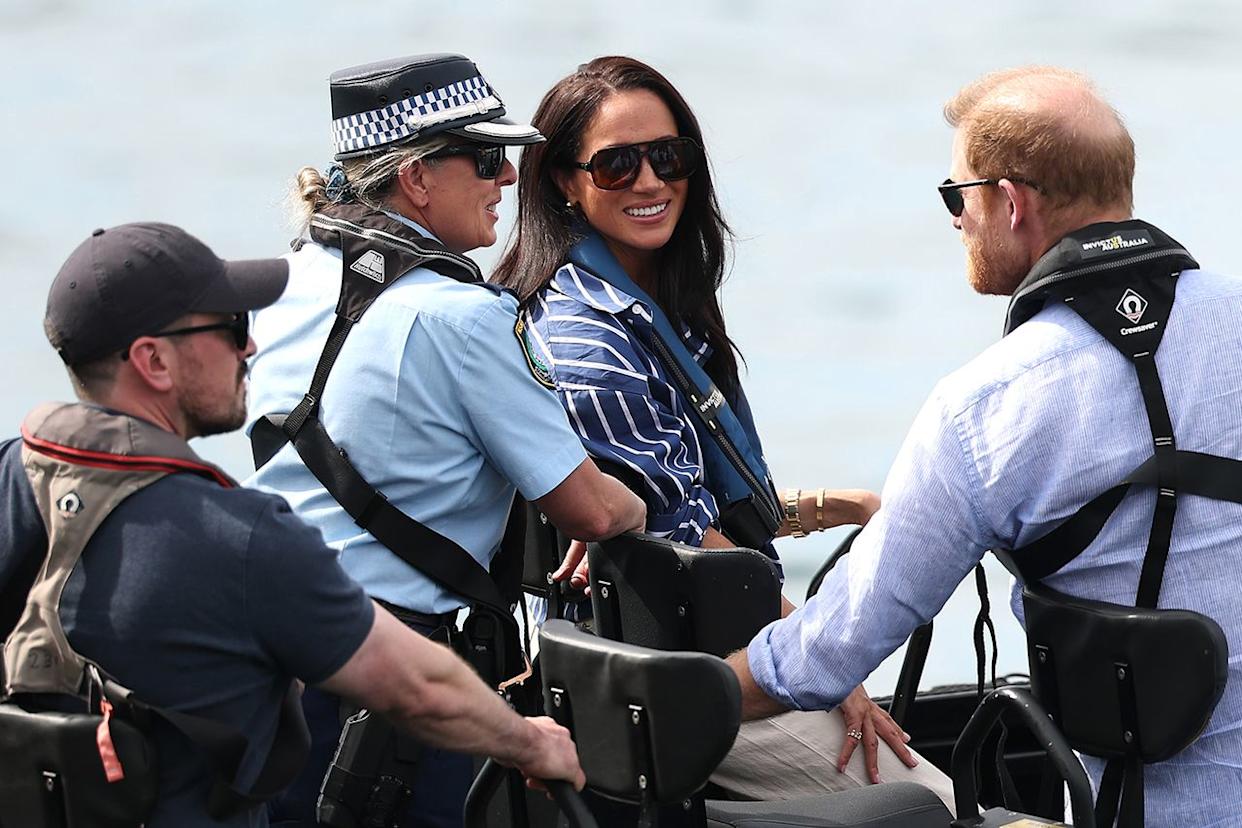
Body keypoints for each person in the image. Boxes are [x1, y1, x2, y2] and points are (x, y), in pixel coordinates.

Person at [727, 65, 1242, 825]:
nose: (955, 219)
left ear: (1010, 202)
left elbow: (826, 651)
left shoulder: (984, 406)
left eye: (956, 195)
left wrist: (668, 700)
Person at [0, 222, 585, 828]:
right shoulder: (239, 536)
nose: (248, 347)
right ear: (153, 361)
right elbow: (416, 685)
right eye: (228, 327)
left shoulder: (11, 477)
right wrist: (528, 741)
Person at [491, 55, 952, 808]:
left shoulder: (642, 299)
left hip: (703, 633)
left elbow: (699, 498)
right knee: (932, 804)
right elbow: (687, 552)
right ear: (564, 184)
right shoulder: (588, 342)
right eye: (615, 166)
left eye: (667, 157)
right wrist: (830, 664)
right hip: (667, 671)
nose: (649, 182)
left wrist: (843, 506)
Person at [244, 54, 646, 827]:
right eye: (489, 156)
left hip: (284, 672)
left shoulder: (282, 284)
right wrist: (638, 511)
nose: (505, 179)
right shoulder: (459, 317)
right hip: (409, 688)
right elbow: (589, 512)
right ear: (417, 180)